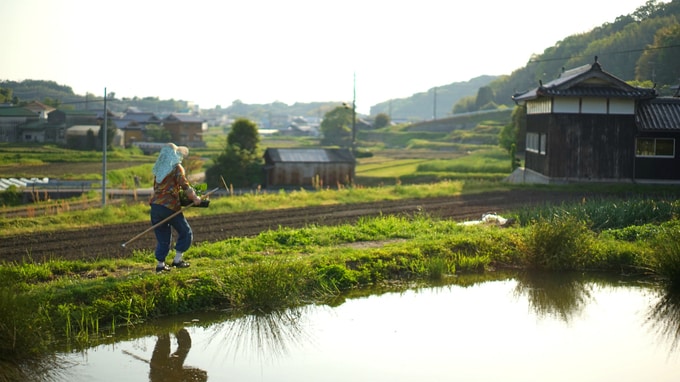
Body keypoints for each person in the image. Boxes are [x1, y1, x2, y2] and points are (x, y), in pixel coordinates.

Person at [149, 143, 202, 273]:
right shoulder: (176, 167)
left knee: (163, 237)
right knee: (185, 231)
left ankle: (160, 265)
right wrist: (195, 198)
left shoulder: (159, 169)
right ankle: (177, 260)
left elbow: (156, 189)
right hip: (170, 206)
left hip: (155, 207)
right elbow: (185, 186)